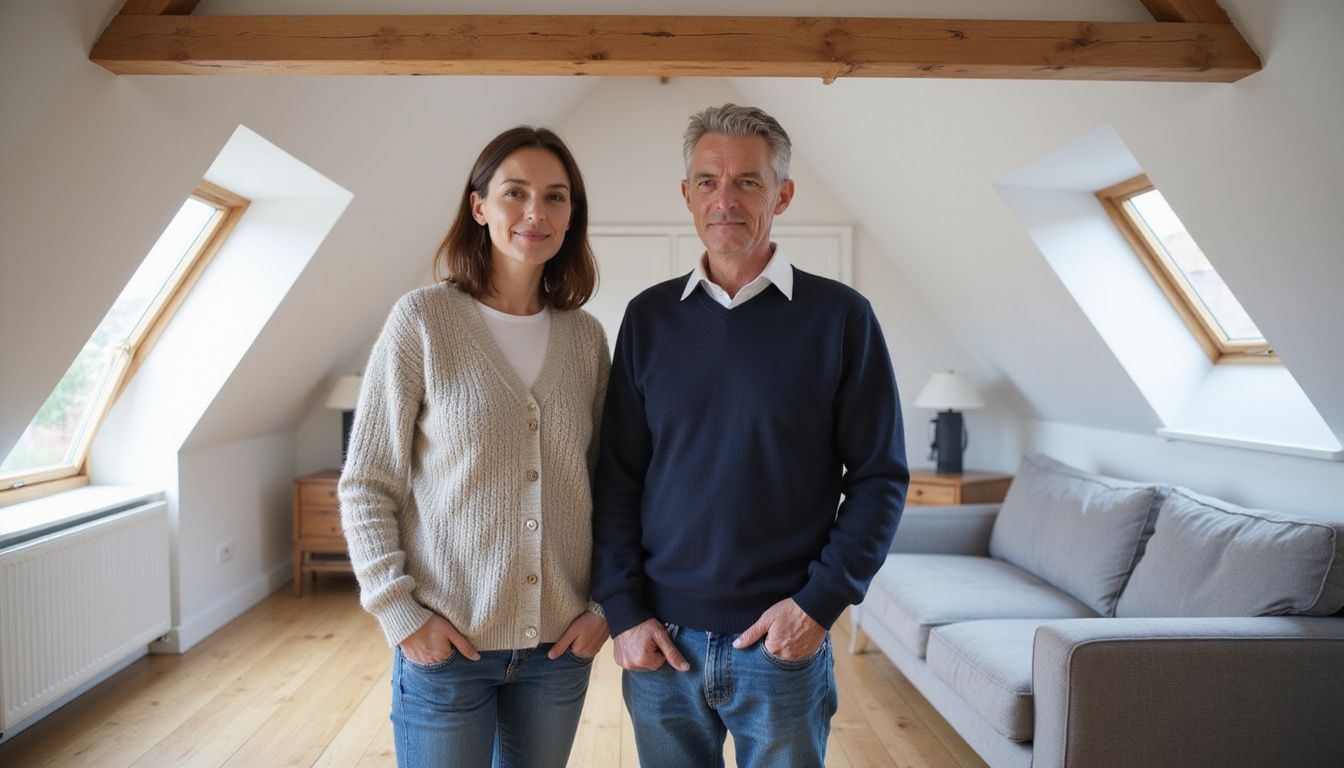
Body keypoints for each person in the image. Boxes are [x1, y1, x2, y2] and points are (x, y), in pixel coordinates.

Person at [592, 103, 909, 767]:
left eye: (747, 182)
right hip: (663, 647)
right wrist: (622, 610)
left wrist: (819, 605)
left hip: (781, 643)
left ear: (783, 194)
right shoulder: (648, 318)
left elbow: (880, 478)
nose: (724, 199)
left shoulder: (841, 319)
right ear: (687, 195)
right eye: (708, 181)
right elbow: (617, 476)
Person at [339, 126, 610, 768]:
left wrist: (602, 607)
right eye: (515, 193)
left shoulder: (587, 340)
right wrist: (400, 615)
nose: (535, 213)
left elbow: (615, 486)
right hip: (446, 645)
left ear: (572, 217)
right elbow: (367, 483)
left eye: (556, 197)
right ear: (479, 205)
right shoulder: (423, 321)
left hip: (558, 653)